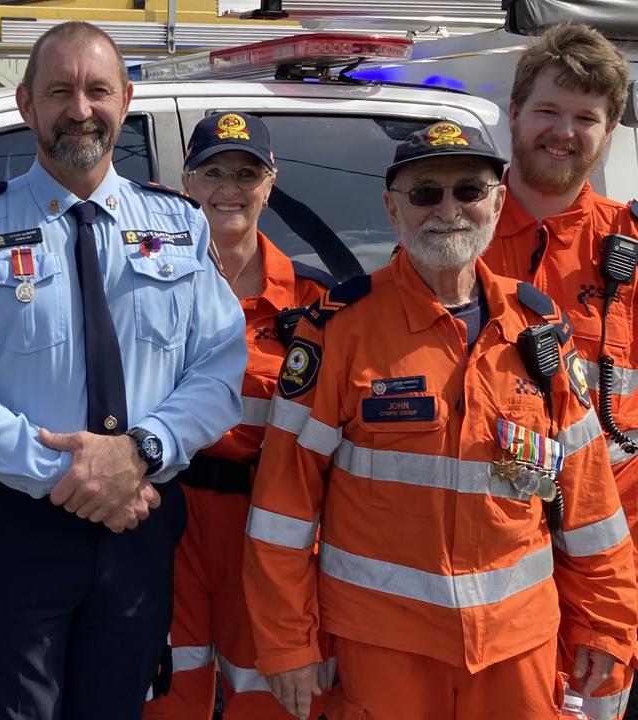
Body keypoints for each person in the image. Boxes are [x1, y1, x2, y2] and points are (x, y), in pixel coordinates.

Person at [243, 120, 638, 720]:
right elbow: (283, 508)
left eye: (468, 191)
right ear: (392, 208)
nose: (448, 209)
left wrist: (608, 621)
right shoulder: (339, 331)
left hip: (518, 651)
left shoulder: (538, 329)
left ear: (497, 201)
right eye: (425, 192)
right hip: (384, 650)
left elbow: (590, 504)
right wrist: (286, 644)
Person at [0, 21, 248, 719]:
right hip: (17, 524)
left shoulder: (180, 225)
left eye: (97, 89)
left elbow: (219, 370)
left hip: (142, 519)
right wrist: (77, 476)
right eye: (59, 90)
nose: (80, 108)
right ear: (25, 103)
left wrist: (142, 452)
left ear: (125, 100)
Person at [143, 112, 330, 720]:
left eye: (246, 173)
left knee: (268, 694)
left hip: (271, 525)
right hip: (170, 519)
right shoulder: (148, 285)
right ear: (187, 182)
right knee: (167, 691)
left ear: (270, 183)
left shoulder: (314, 304)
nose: (230, 187)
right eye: (214, 171)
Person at [481, 23, 638, 719]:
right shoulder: (455, 231)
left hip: (613, 564)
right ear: (514, 113)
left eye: (586, 118)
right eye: (548, 110)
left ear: (608, 132)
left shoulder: (630, 248)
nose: (564, 132)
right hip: (490, 552)